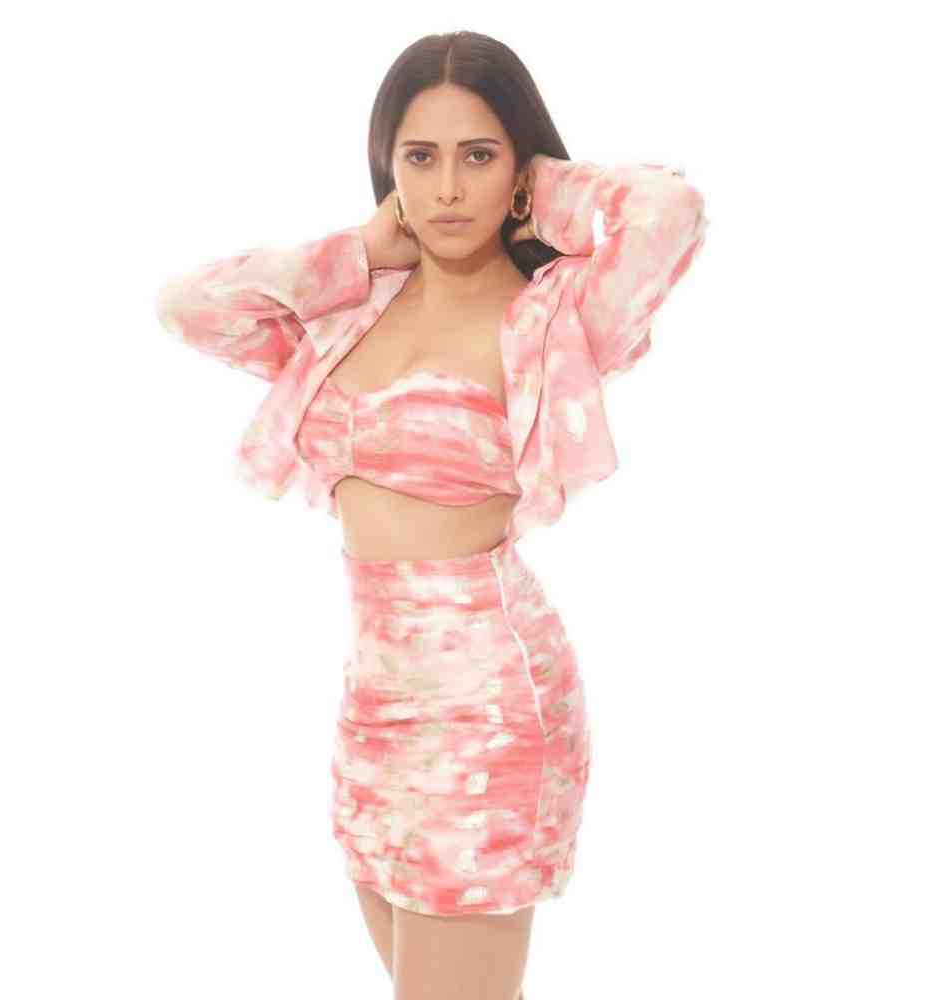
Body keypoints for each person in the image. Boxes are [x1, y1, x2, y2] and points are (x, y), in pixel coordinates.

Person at [155, 29, 709, 1000]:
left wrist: (543, 187)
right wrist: (357, 249)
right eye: (421, 158)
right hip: (374, 706)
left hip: (487, 705)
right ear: (388, 169)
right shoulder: (348, 307)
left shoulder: (556, 315)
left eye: (478, 156)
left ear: (518, 169)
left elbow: (670, 212)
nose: (449, 188)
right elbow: (186, 306)